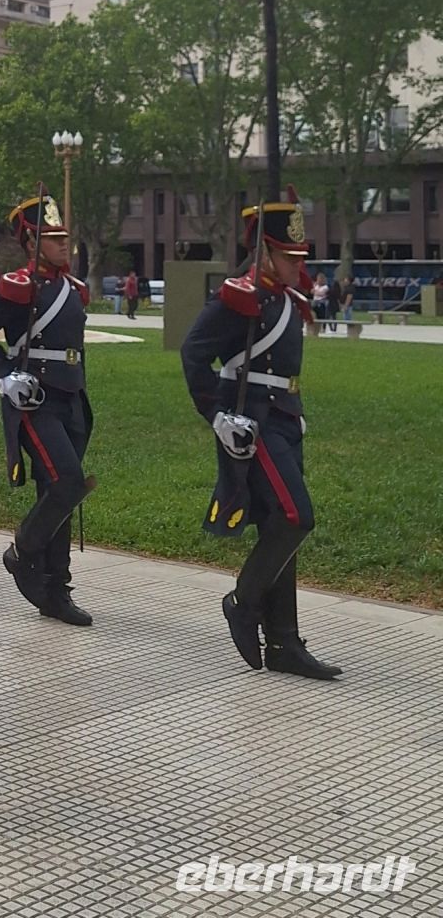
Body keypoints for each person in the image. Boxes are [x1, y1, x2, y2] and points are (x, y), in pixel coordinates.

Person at [180, 188, 340, 680]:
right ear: (265, 252)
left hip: (286, 419)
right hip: (254, 420)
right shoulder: (238, 296)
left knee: (279, 524)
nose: (298, 265)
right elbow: (194, 352)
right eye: (289, 256)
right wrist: (217, 415)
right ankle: (242, 601)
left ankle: (284, 641)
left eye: (301, 256)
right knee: (295, 516)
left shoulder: (286, 299)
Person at [0, 189, 94, 627]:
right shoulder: (19, 287)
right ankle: (22, 550)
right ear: (33, 242)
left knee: (57, 491)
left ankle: (56, 589)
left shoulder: (73, 289)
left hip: (71, 397)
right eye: (54, 239)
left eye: (65, 237)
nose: (64, 245)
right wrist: (3, 375)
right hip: (35, 400)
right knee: (68, 483)